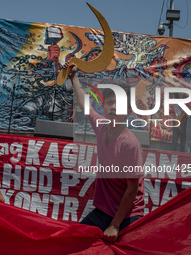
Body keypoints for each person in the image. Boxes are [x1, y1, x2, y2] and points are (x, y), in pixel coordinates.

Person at [63, 63, 144, 243]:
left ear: (129, 111)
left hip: (127, 215)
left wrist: (115, 225)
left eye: (119, 104)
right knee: (72, 240)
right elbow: (84, 104)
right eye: (109, 102)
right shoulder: (101, 127)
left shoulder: (130, 144)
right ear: (103, 107)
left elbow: (132, 189)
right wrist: (73, 77)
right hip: (103, 211)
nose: (114, 107)